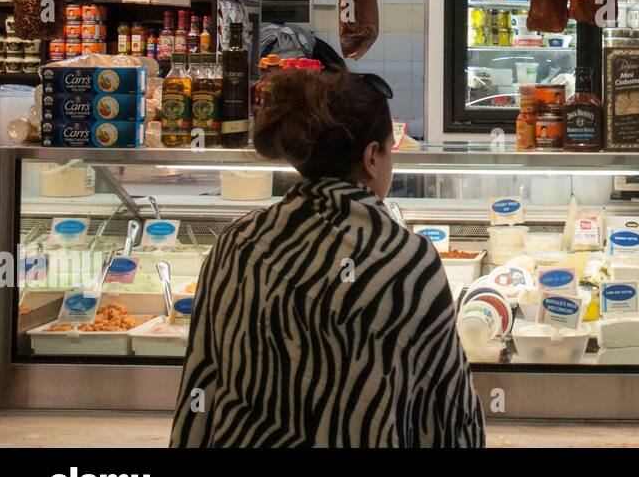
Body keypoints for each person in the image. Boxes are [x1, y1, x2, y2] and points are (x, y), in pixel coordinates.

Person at [171, 68, 484, 447]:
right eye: (390, 150)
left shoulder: (237, 243)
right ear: (372, 157)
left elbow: (200, 385)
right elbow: (451, 413)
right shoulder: (406, 262)